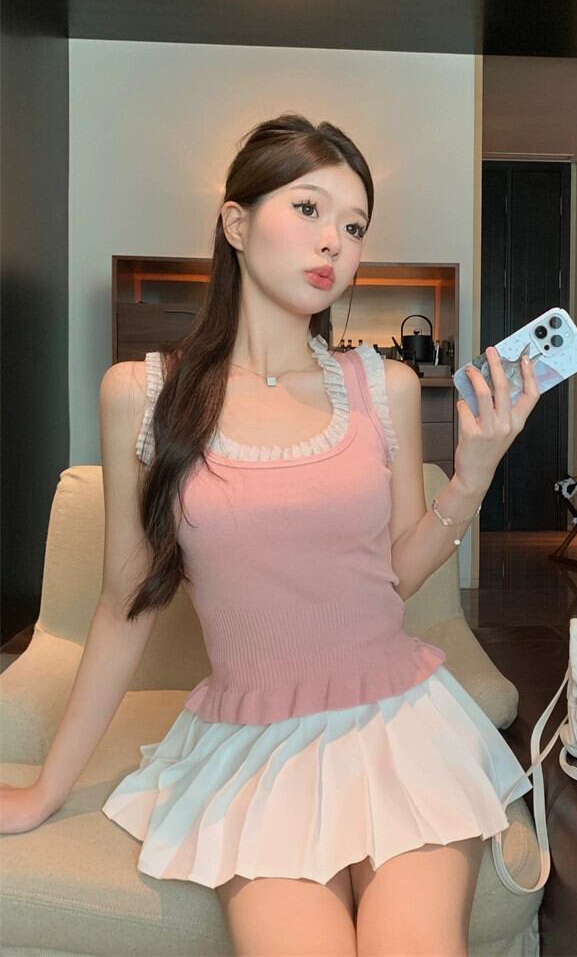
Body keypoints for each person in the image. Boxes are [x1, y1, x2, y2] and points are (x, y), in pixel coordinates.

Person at [0, 112, 542, 956]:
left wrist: (471, 477)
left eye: (355, 226)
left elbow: (394, 576)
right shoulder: (143, 395)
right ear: (236, 222)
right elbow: (123, 606)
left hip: (402, 727)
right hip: (255, 749)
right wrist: (43, 790)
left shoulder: (384, 386)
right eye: (309, 208)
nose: (335, 242)